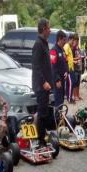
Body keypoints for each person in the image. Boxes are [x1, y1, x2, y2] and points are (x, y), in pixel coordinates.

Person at [30, 18, 53, 147]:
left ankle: (41, 135)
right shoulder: (38, 44)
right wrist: (44, 82)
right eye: (49, 28)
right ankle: (40, 141)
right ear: (44, 29)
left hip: (46, 85)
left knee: (43, 111)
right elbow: (36, 66)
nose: (50, 30)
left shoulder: (44, 43)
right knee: (42, 113)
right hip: (41, 85)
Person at [50, 30, 68, 107]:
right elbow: (53, 66)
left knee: (62, 99)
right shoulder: (54, 50)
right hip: (57, 80)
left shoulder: (62, 50)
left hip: (63, 78)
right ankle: (57, 117)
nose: (65, 42)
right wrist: (57, 80)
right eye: (64, 40)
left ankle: (60, 116)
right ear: (59, 39)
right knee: (58, 99)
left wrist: (66, 72)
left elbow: (65, 62)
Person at [63, 34, 76, 103]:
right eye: (72, 41)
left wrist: (74, 61)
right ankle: (69, 98)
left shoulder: (69, 47)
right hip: (68, 68)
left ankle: (69, 97)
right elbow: (65, 56)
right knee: (71, 83)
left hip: (71, 67)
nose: (73, 42)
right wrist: (66, 68)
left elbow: (69, 58)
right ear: (70, 39)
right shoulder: (66, 46)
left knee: (70, 83)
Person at [72, 35, 83, 101]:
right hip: (75, 68)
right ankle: (75, 96)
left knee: (78, 83)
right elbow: (70, 58)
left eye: (78, 41)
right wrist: (77, 58)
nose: (77, 43)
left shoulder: (78, 49)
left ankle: (78, 95)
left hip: (79, 68)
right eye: (76, 41)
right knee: (75, 83)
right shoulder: (72, 49)